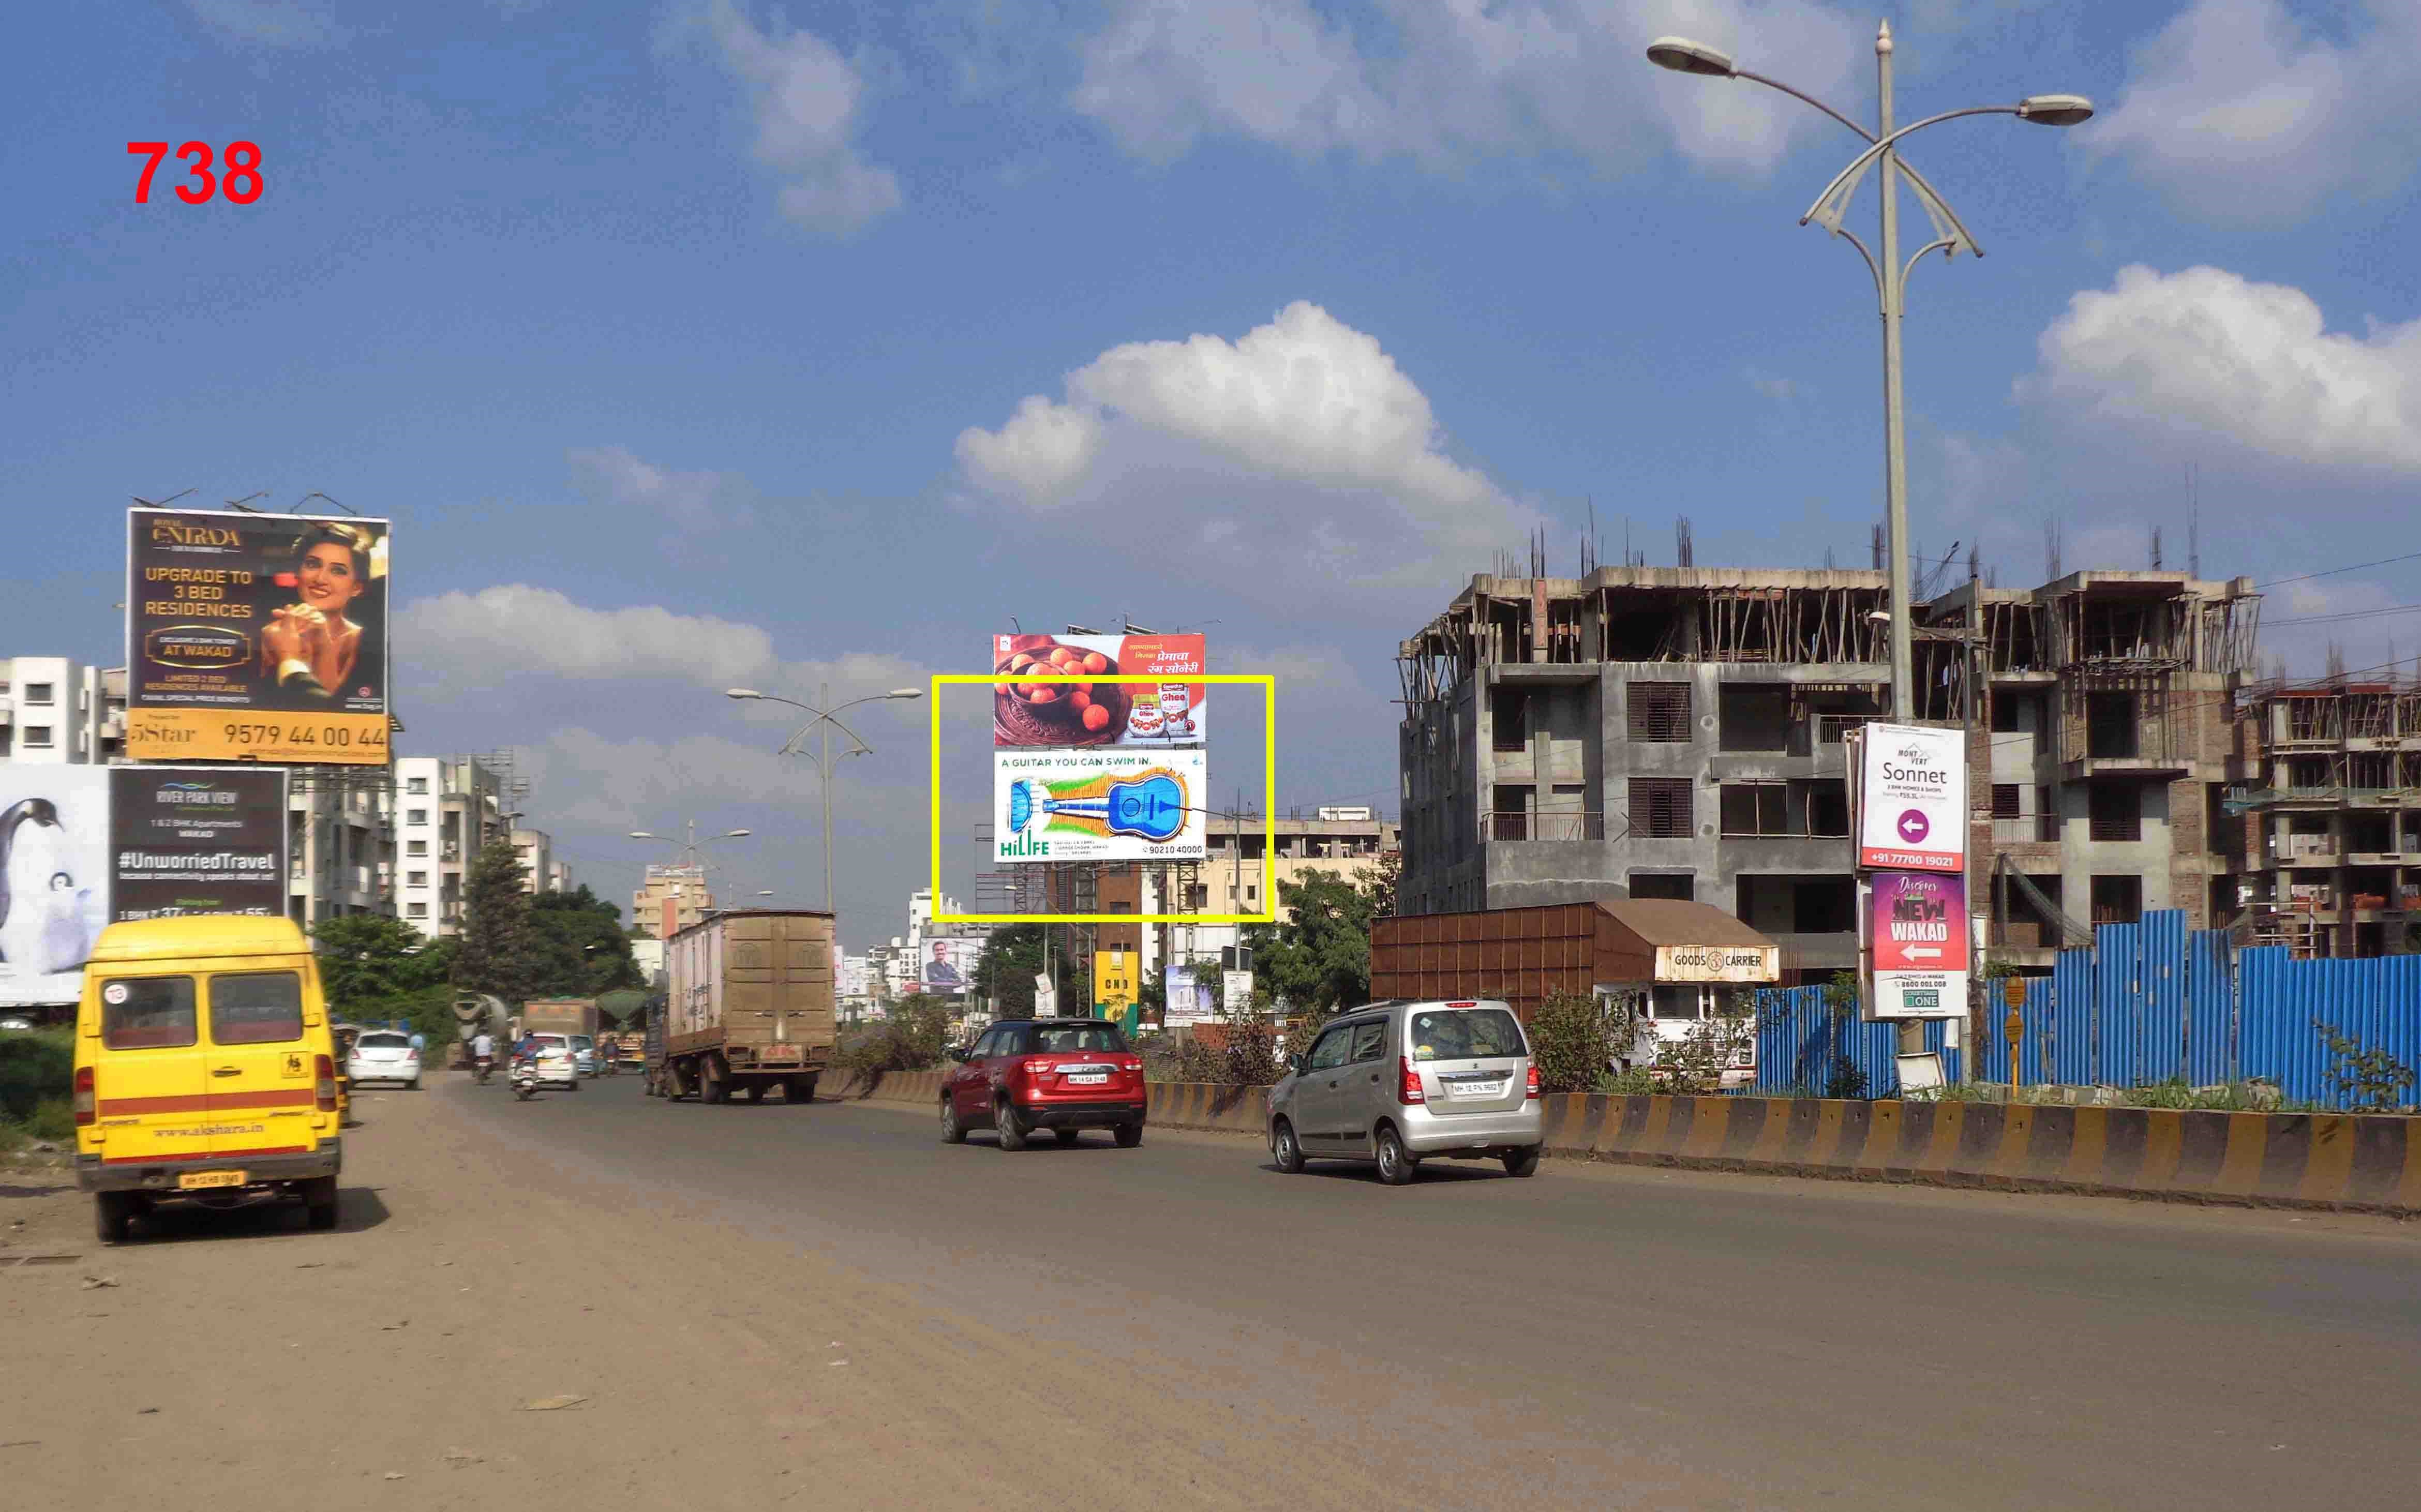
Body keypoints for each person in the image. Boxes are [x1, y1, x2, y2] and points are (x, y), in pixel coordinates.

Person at [258, 522, 376, 700]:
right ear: (298, 573)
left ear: (357, 587)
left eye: (338, 571)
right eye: (313, 565)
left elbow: (327, 711)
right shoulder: (271, 633)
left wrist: (323, 643)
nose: (320, 579)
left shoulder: (363, 642)